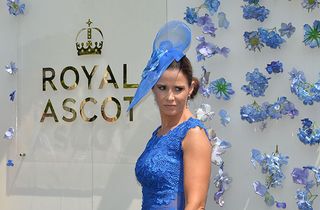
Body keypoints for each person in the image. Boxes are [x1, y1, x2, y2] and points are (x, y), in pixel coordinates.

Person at [127, 21, 212, 210]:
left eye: (178, 89)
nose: (170, 97)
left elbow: (196, 205)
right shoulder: (158, 134)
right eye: (162, 88)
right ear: (153, 89)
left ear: (190, 89)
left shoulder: (193, 134)